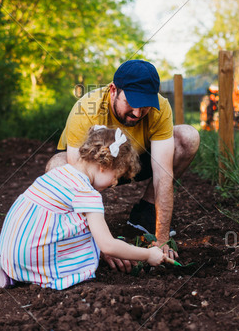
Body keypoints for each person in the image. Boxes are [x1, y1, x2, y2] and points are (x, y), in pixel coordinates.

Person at [46, 59, 200, 272]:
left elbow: (163, 175)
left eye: (145, 105)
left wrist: (162, 239)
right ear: (113, 90)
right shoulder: (86, 107)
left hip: (134, 160)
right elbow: (77, 182)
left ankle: (146, 213)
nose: (137, 113)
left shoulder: (160, 108)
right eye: (131, 102)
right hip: (94, 166)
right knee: (56, 165)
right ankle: (80, 235)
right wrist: (104, 244)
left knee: (188, 137)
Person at [0, 126, 166, 290]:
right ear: (104, 166)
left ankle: (10, 269)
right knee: (89, 246)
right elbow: (107, 245)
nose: (114, 183)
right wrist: (148, 255)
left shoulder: (58, 173)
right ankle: (37, 272)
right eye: (116, 177)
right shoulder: (87, 193)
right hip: (35, 258)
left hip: (11, 247)